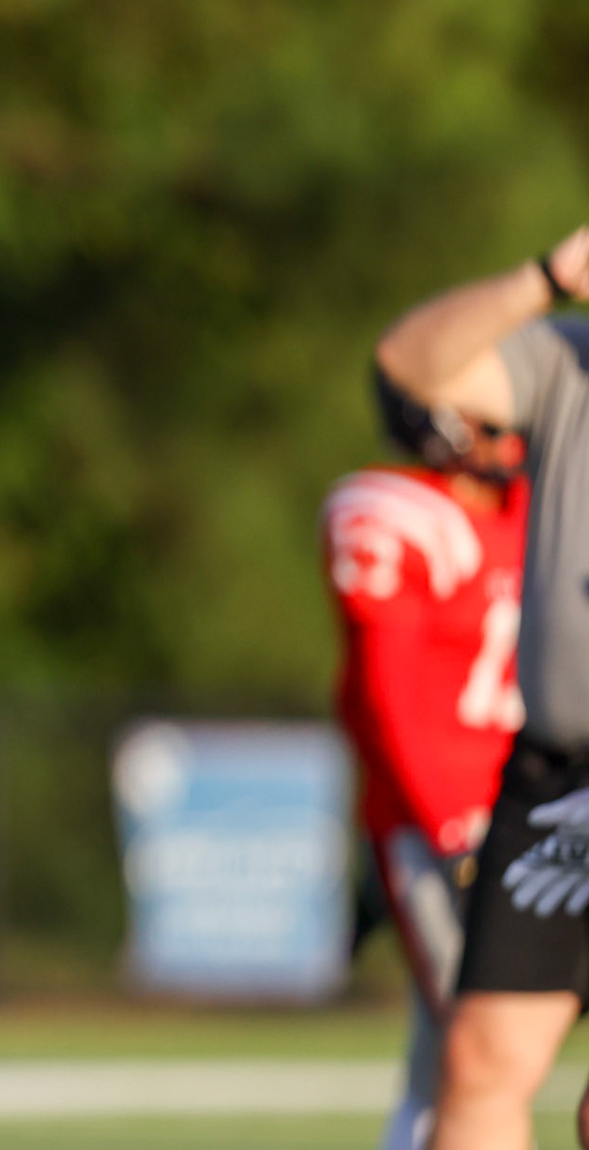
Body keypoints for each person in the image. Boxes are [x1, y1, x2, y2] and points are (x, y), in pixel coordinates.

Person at [373, 225, 589, 1150]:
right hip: (558, 776)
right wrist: (545, 280)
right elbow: (411, 364)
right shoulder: (565, 362)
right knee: (480, 1067)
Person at [322, 374, 528, 1150]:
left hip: (534, 803)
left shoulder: (536, 508)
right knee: (468, 1041)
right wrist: (447, 819)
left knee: (457, 1050)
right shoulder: (392, 512)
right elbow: (387, 694)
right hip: (435, 818)